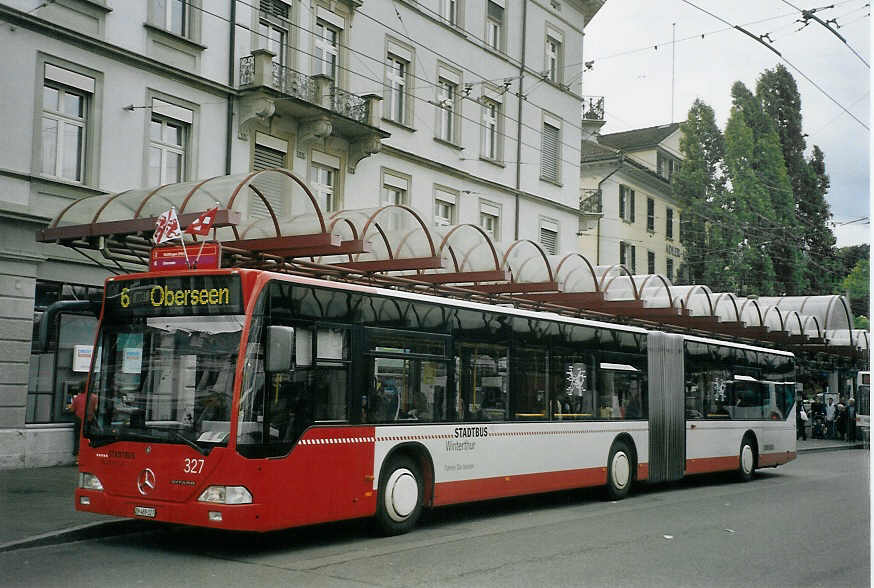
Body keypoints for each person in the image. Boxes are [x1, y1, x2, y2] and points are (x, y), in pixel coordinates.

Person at [68, 390, 96, 462]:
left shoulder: (77, 397)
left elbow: (72, 409)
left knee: (78, 438)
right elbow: (96, 409)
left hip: (79, 420)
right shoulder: (94, 397)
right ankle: (89, 457)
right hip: (89, 420)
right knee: (89, 438)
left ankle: (78, 459)